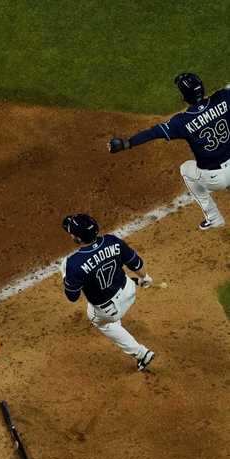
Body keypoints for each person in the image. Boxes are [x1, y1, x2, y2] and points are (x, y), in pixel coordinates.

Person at [109, 73, 230, 230]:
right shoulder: (224, 97)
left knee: (186, 169)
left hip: (215, 179)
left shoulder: (181, 121)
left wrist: (126, 143)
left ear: (183, 97)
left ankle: (214, 217)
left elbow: (153, 133)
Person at [60, 214, 155, 371]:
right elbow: (136, 263)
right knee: (115, 275)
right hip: (129, 292)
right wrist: (145, 277)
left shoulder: (73, 264)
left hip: (109, 311)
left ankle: (141, 353)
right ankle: (134, 282)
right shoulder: (112, 240)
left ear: (77, 239)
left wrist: (65, 273)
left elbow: (72, 297)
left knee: (99, 320)